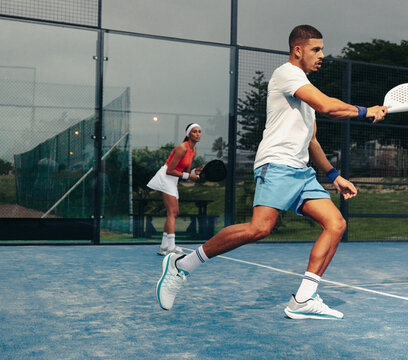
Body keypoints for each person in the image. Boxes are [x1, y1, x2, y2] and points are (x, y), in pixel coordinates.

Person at [156, 25, 387, 319]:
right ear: (297, 50)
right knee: (259, 229)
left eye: (322, 49)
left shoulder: (304, 90)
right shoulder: (287, 74)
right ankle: (181, 266)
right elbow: (329, 107)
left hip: (301, 172)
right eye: (316, 49)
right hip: (276, 165)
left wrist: (334, 177)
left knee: (336, 223)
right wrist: (367, 111)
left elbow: (311, 141)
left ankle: (303, 299)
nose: (322, 55)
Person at [146, 123, 203, 256]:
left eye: (199, 131)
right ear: (188, 134)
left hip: (173, 179)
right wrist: (189, 175)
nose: (198, 134)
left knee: (175, 212)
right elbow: (170, 170)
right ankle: (171, 248)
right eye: (194, 132)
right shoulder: (181, 148)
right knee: (172, 212)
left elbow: (186, 172)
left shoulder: (193, 151)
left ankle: (163, 247)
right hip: (165, 177)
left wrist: (195, 172)